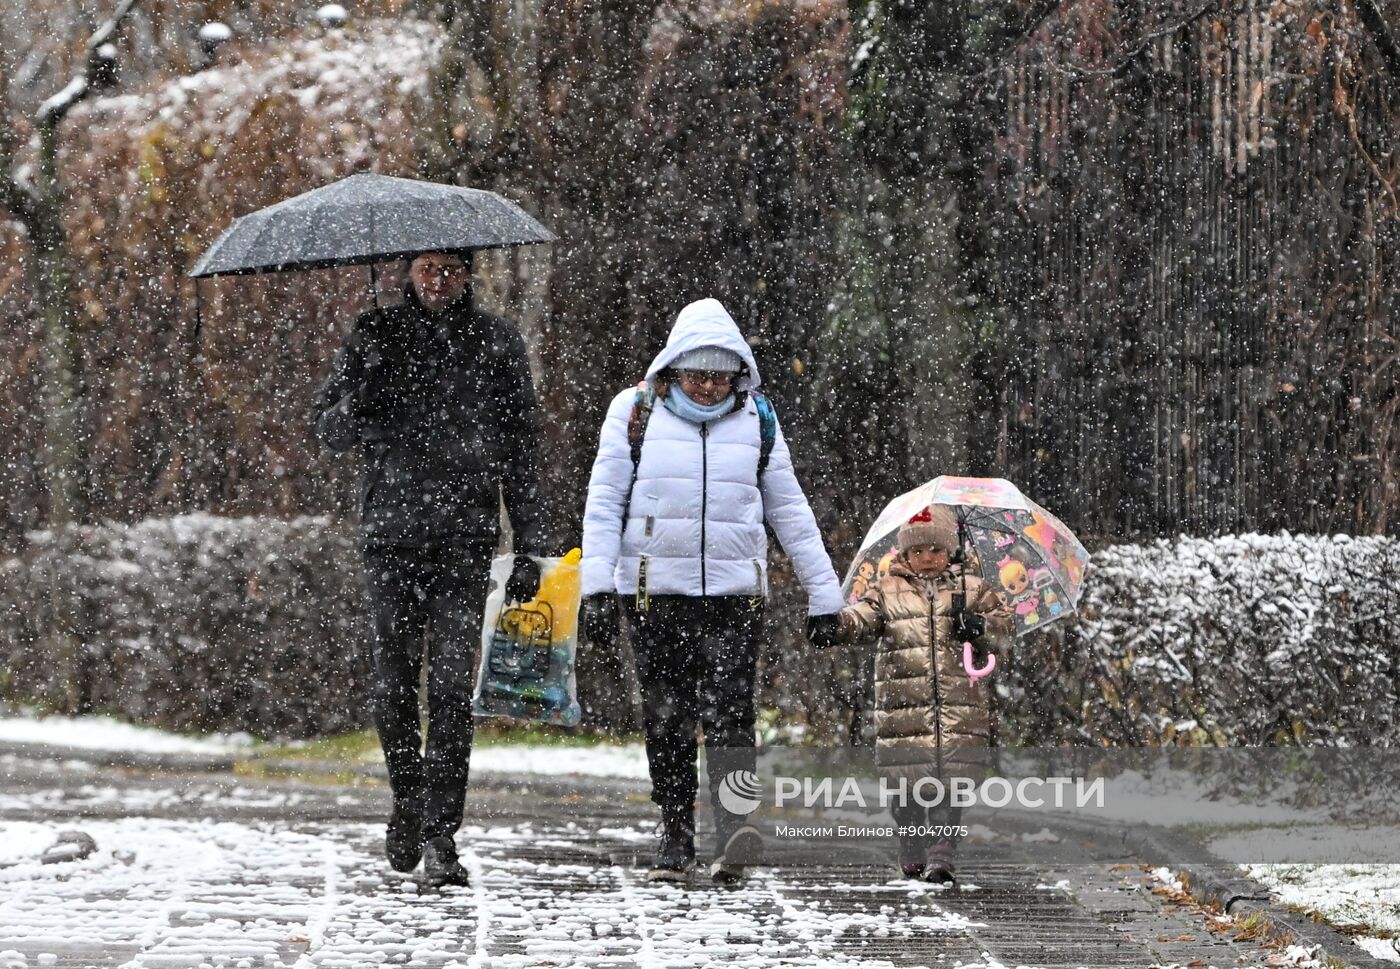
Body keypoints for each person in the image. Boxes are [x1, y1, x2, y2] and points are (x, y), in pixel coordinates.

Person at [579, 297, 845, 885]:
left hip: (734, 595)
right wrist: (596, 585)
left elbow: (790, 509)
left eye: (718, 376)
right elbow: (604, 502)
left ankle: (734, 831)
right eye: (695, 374)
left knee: (731, 716)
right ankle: (675, 833)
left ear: (738, 373)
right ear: (672, 369)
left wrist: (825, 596)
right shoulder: (634, 412)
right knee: (667, 718)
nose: (705, 387)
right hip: (653, 594)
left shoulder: (758, 419)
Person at [313, 251, 551, 888]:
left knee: (449, 685)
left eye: (450, 269)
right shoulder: (375, 333)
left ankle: (442, 832)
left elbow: (522, 446)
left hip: (464, 535)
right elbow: (330, 430)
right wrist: (363, 388)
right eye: (426, 268)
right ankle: (406, 801)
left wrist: (530, 541)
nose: (438, 280)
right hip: (390, 533)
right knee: (393, 681)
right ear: (408, 272)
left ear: (468, 273)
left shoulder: (497, 343)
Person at [828, 506, 1011, 884]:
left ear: (951, 550)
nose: (928, 558)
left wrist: (978, 627)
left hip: (959, 709)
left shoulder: (972, 588)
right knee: (907, 787)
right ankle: (911, 843)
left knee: (954, 784)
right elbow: (862, 617)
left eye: (936, 550)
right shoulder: (887, 590)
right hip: (903, 711)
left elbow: (1002, 632)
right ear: (904, 555)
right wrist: (835, 625)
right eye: (918, 551)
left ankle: (942, 851)